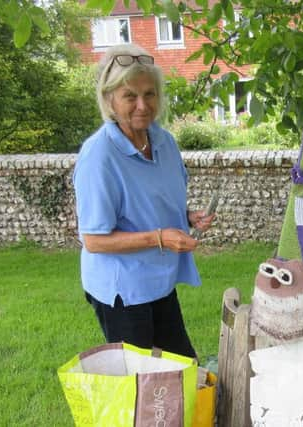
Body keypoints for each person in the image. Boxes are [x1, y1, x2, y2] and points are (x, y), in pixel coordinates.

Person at [73, 43, 214, 359]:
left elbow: (151, 201)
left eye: (149, 94)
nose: (142, 105)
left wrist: (189, 216)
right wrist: (161, 237)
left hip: (158, 280)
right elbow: (94, 240)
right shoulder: (99, 156)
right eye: (130, 96)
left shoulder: (163, 140)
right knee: (141, 384)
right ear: (110, 100)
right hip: (122, 290)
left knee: (181, 367)